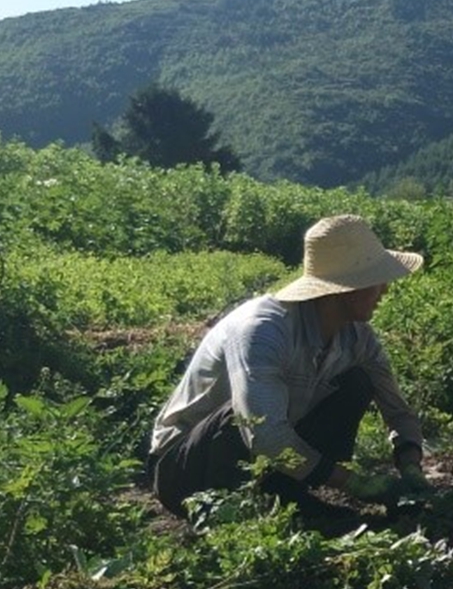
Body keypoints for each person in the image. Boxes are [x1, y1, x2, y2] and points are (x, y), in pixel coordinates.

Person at [149, 214, 427, 517]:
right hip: (184, 468)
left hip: (262, 457)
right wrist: (353, 483)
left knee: (357, 382)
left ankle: (283, 492)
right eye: (376, 281)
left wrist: (410, 461)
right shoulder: (263, 330)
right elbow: (265, 435)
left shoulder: (357, 338)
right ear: (346, 288)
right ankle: (238, 509)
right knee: (243, 415)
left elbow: (397, 411)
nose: (384, 290)